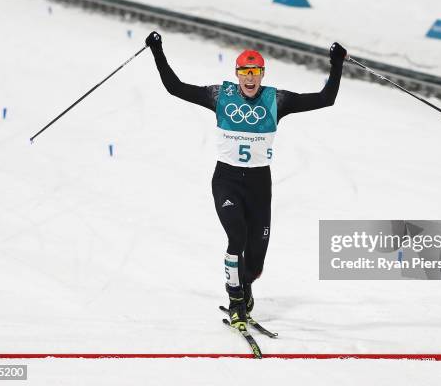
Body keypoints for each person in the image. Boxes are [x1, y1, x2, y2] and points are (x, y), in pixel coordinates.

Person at [145, 31, 346, 330]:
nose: (249, 79)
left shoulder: (277, 100)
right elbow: (175, 88)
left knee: (254, 262)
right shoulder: (219, 96)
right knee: (236, 237)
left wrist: (337, 62)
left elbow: (325, 99)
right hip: (227, 180)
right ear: (236, 74)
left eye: (255, 72)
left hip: (258, 185)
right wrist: (157, 50)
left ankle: (245, 286)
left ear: (262, 74)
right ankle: (236, 301)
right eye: (244, 72)